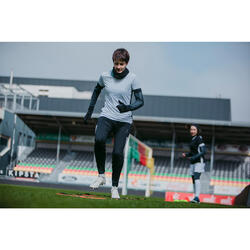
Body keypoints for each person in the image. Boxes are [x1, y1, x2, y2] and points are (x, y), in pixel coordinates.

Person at [83, 48, 144, 199]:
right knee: (99, 139)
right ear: (113, 62)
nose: (118, 67)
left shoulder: (132, 78)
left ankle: (114, 187)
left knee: (118, 152)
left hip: (124, 121)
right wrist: (90, 111)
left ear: (126, 63)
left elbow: (140, 100)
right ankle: (101, 176)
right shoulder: (105, 76)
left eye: (121, 64)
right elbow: (96, 91)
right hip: (107, 116)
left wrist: (128, 108)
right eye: (116, 63)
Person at [182, 124, 206, 203]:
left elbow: (203, 151)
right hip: (193, 162)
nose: (192, 131)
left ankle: (197, 197)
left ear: (197, 130)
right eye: (191, 129)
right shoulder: (193, 139)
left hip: (199, 161)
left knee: (196, 177)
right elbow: (193, 152)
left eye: (194, 130)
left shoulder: (199, 138)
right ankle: (195, 198)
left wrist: (194, 157)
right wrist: (186, 154)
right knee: (193, 179)